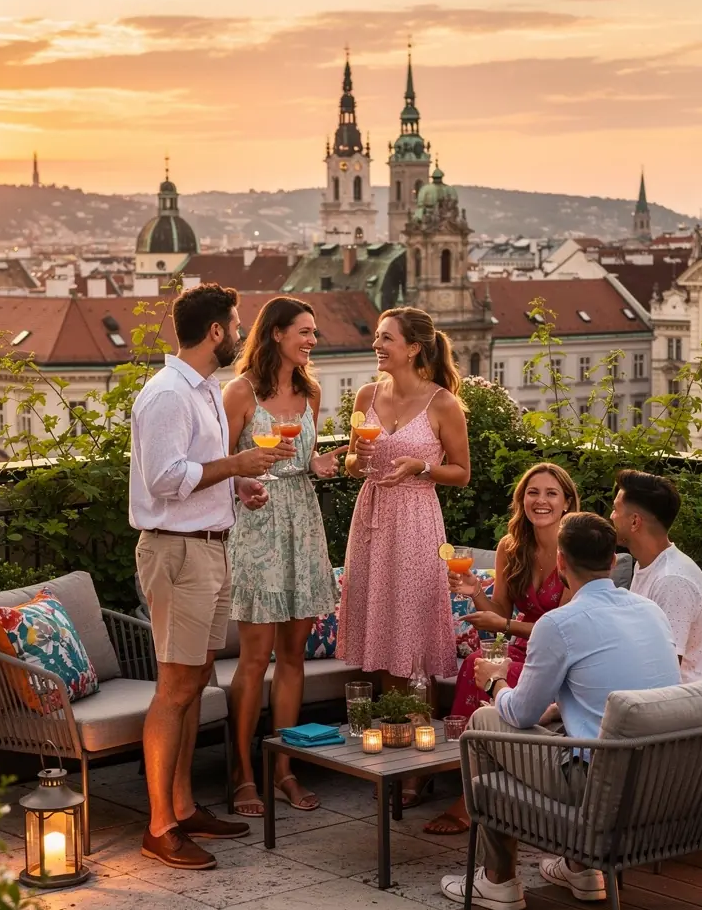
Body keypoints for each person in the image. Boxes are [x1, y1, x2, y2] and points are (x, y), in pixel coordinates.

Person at [439, 512, 681, 910]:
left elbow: (517, 713)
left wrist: (496, 680)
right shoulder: (650, 612)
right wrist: (555, 710)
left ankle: (497, 879)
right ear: (613, 563)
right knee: (547, 724)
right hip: (660, 778)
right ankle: (581, 869)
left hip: (597, 783)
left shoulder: (559, 623)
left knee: (485, 723)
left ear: (562, 564)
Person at [130, 283, 279, 870]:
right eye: (236, 324)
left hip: (212, 549)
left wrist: (238, 484)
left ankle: (185, 807)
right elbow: (164, 480)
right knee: (174, 688)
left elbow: (195, 473)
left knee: (193, 684)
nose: (240, 333)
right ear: (216, 331)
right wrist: (237, 463)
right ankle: (159, 825)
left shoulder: (206, 390)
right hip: (178, 553)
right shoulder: (167, 394)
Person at [337, 306, 471, 807]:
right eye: (376, 336)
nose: (377, 345)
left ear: (413, 348)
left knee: (413, 635)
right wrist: (358, 461)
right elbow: (353, 459)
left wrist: (422, 467)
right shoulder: (367, 395)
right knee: (384, 629)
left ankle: (419, 763)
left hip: (416, 521)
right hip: (371, 518)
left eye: (385, 338)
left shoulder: (443, 404)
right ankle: (392, 745)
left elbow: (462, 471)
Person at [222, 296, 346, 817]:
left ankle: (283, 770)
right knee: (255, 659)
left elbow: (303, 456)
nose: (312, 340)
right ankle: (241, 773)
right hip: (258, 521)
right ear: (275, 333)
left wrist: (316, 463)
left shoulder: (310, 391)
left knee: (292, 656)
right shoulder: (240, 391)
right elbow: (218, 466)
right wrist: (243, 480)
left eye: (314, 332)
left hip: (302, 518)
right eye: (304, 331)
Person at [424, 462, 579, 835]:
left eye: (551, 493)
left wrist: (505, 627)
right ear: (522, 499)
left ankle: (469, 795)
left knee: (495, 670)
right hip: (523, 647)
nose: (540, 501)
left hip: (560, 656)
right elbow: (500, 612)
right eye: (533, 492)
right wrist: (476, 591)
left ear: (567, 503)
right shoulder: (511, 547)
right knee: (476, 662)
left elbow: (567, 628)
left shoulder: (574, 551)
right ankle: (465, 771)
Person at [610, 469, 702, 683]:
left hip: (678, 704)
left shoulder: (672, 580)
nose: (611, 516)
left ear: (634, 522)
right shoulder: (648, 564)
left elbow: (663, 672)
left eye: (615, 510)